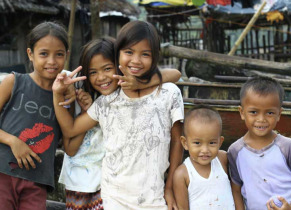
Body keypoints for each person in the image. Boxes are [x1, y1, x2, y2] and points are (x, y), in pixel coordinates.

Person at [52, 20, 184, 210]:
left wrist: (170, 187)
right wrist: (57, 94)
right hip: (112, 199)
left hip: (154, 199)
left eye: (145, 54)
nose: (136, 60)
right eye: (129, 52)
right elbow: (70, 129)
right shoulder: (106, 102)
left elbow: (177, 141)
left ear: (155, 56)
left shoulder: (168, 93)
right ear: (118, 56)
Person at [0, 21, 80, 210]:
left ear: (66, 56)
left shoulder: (65, 95)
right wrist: (14, 141)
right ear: (30, 54)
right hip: (3, 172)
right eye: (44, 54)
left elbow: (68, 136)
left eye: (59, 54)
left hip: (37, 180)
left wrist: (77, 102)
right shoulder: (14, 82)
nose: (51, 61)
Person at [228, 77, 291, 210]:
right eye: (253, 112)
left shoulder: (287, 146)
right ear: (242, 112)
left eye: (270, 113)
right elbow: (236, 189)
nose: (261, 119)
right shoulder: (235, 151)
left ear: (279, 114)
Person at [173, 106, 235, 210]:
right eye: (197, 143)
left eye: (212, 143)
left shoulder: (222, 159)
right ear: (185, 143)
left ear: (220, 142)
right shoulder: (182, 174)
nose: (205, 149)